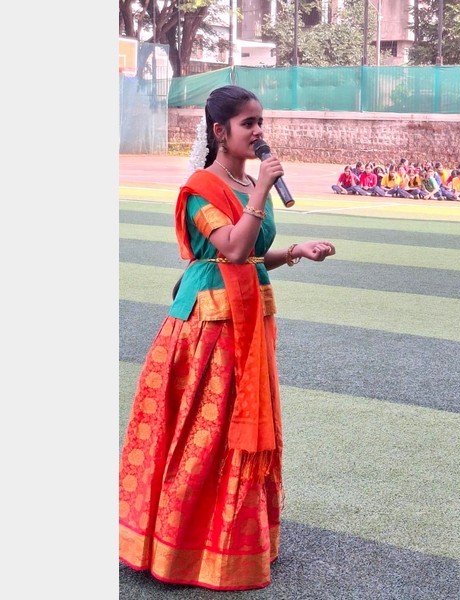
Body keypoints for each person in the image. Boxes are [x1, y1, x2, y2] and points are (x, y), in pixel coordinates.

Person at [118, 85, 336, 591]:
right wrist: (261, 190)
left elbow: (255, 256)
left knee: (237, 427)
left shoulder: (244, 183)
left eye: (261, 122)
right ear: (220, 131)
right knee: (206, 430)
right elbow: (231, 252)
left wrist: (296, 251)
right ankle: (180, 544)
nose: (259, 132)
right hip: (208, 327)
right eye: (248, 124)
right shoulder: (201, 188)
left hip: (250, 317)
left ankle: (233, 536)